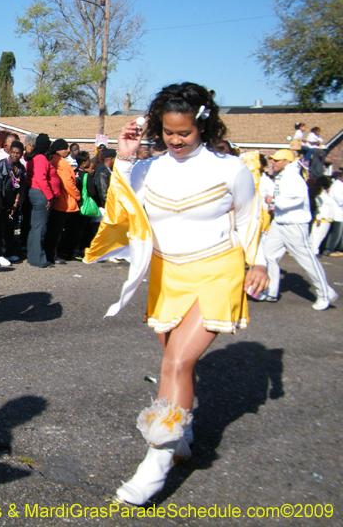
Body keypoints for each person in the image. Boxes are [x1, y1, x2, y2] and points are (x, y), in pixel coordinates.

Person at [103, 82, 269, 506]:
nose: (175, 141)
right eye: (168, 132)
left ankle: (155, 463)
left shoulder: (230, 169)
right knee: (173, 364)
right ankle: (182, 437)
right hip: (166, 275)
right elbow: (118, 211)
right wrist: (123, 157)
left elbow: (250, 218)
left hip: (217, 270)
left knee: (177, 361)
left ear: (203, 126)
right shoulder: (147, 168)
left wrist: (260, 262)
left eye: (185, 133)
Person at [261, 149, 337, 309]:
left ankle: (325, 294)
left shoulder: (291, 176)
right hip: (280, 222)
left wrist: (273, 200)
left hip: (294, 224)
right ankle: (271, 291)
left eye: (277, 159)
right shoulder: (284, 175)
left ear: (287, 161)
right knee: (269, 255)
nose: (273, 162)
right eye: (272, 159)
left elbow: (297, 198)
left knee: (306, 259)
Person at [0, 139, 26, 266]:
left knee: (6, 228)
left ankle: (1, 253)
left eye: (18, 153)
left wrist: (16, 203)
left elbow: (20, 186)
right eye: (13, 152)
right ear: (10, 152)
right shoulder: (0, 165)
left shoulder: (21, 169)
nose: (15, 155)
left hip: (10, 202)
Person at [25, 134, 60, 268]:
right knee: (39, 228)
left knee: (35, 227)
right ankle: (38, 259)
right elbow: (41, 179)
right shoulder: (40, 159)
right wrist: (49, 196)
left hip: (37, 193)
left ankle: (33, 256)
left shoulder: (35, 158)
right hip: (41, 194)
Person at [44, 138, 81, 265]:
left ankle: (53, 253)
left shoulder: (52, 160)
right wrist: (78, 195)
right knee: (57, 231)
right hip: (64, 201)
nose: (67, 151)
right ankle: (54, 255)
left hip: (58, 199)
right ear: (60, 150)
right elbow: (67, 183)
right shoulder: (61, 163)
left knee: (54, 230)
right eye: (65, 149)